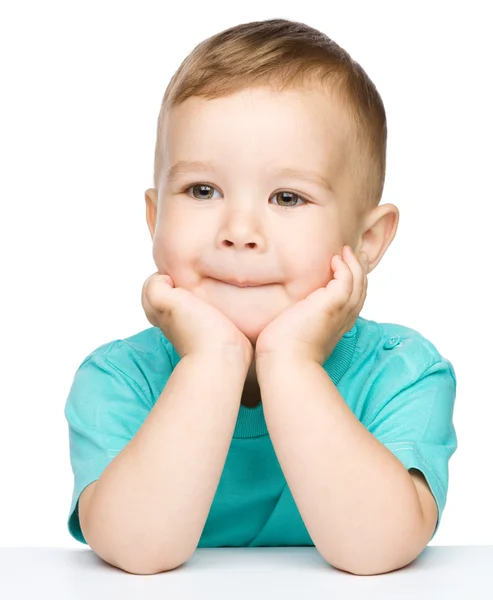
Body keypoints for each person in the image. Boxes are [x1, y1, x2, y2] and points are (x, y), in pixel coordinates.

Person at [64, 18, 457, 576]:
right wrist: (211, 359)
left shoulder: (403, 374)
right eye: (203, 190)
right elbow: (136, 552)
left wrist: (290, 360)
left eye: (288, 197)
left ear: (366, 241)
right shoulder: (119, 379)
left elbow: (376, 552)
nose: (239, 229)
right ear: (156, 219)